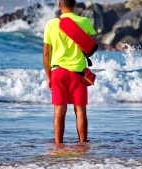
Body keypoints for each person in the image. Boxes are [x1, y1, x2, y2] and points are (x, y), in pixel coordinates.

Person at [43, 0, 96, 146]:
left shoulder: (50, 24)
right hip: (78, 72)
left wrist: (49, 76)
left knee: (59, 110)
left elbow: (47, 54)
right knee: (80, 110)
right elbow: (90, 46)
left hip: (58, 72)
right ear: (75, 4)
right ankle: (82, 144)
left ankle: (59, 144)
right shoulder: (85, 22)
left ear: (59, 5)